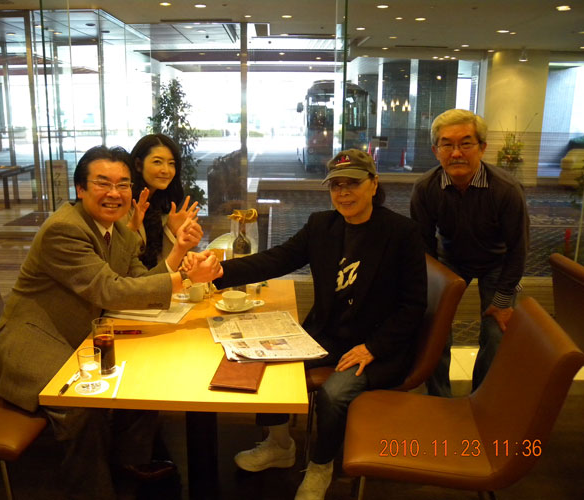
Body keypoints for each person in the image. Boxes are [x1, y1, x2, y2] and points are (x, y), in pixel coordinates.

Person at [0, 145, 221, 500]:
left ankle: (129, 461)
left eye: (123, 184)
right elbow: (109, 290)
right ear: (80, 189)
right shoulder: (64, 229)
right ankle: (93, 489)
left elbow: (138, 281)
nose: (114, 193)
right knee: (83, 405)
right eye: (103, 183)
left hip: (83, 334)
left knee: (144, 371)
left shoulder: (119, 230)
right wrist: (184, 279)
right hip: (32, 338)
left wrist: (181, 259)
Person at [211, 150, 427, 500]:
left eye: (352, 183)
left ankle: (320, 466)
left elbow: (413, 306)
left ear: (373, 185)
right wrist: (219, 272)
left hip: (376, 345)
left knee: (334, 394)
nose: (343, 192)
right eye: (336, 185)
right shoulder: (321, 226)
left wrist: (373, 348)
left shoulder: (402, 234)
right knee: (263, 363)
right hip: (327, 335)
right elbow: (277, 259)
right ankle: (280, 445)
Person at [410, 108, 529, 397]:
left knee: (497, 330)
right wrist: (429, 292)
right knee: (434, 328)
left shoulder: (506, 190)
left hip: (498, 262)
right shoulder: (425, 188)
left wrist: (503, 300)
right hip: (449, 259)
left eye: (465, 144)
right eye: (447, 145)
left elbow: (519, 249)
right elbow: (423, 247)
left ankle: (481, 399)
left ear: (482, 148)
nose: (456, 153)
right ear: (436, 151)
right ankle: (440, 397)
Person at [128, 133, 200, 269]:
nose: (166, 170)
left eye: (171, 163)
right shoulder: (125, 204)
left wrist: (171, 231)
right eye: (157, 162)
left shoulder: (161, 204)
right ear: (138, 165)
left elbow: (162, 267)